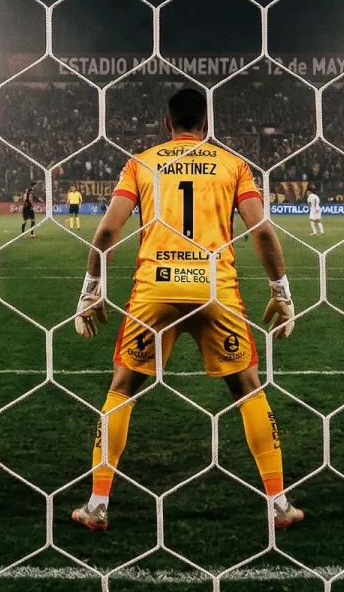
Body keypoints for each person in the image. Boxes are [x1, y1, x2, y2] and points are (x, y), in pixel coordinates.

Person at [71, 87, 302, 531]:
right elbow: (262, 232)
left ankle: (97, 505)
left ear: (167, 124)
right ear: (207, 125)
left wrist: (91, 289)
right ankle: (279, 506)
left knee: (122, 389)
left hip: (154, 290)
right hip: (215, 289)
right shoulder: (233, 165)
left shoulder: (141, 162)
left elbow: (106, 233)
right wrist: (281, 291)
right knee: (249, 388)